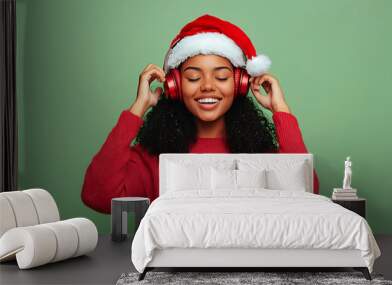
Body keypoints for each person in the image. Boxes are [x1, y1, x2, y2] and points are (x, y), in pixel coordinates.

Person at [81, 14, 320, 214]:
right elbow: (98, 196)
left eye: (222, 77)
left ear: (240, 84)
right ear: (174, 85)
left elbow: (306, 195)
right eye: (194, 77)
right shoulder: (151, 158)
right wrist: (138, 108)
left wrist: (281, 110)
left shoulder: (261, 154)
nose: (207, 86)